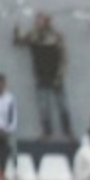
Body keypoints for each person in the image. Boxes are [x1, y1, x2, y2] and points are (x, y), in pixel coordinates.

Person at [13, 11, 73, 140]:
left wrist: (60, 74)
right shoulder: (33, 36)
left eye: (40, 20)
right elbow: (19, 42)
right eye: (37, 20)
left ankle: (68, 131)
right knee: (44, 106)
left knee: (62, 105)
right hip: (41, 76)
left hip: (55, 76)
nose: (37, 22)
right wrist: (16, 30)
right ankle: (47, 132)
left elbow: (64, 57)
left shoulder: (55, 36)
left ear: (46, 21)